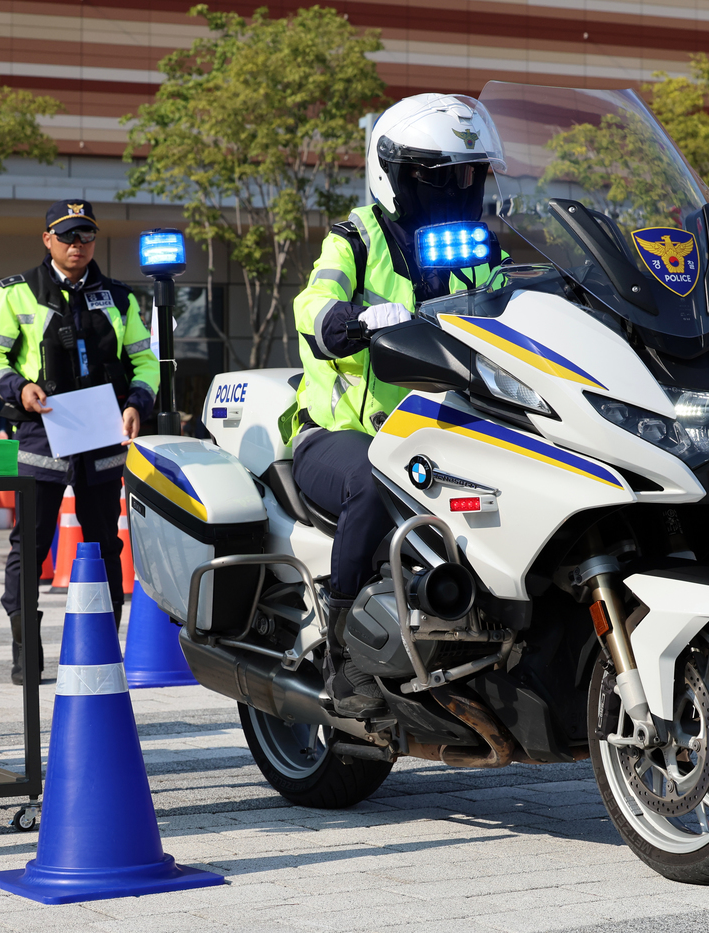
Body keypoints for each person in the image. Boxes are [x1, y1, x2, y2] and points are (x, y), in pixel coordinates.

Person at [291, 94, 505, 717]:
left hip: (444, 432)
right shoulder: (355, 238)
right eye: (439, 176)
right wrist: (352, 318)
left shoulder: (474, 247)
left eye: (468, 174)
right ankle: (341, 653)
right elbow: (312, 307)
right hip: (342, 433)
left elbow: (510, 305)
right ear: (397, 176)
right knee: (375, 475)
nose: (456, 188)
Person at [0, 199, 158, 685]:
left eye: (86, 236)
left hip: (102, 431)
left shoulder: (120, 297)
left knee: (104, 544)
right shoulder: (16, 293)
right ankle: (25, 654)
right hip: (40, 428)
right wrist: (19, 388)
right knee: (29, 545)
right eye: (68, 236)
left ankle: (101, 650)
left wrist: (137, 401)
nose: (78, 245)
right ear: (47, 240)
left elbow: (146, 361)